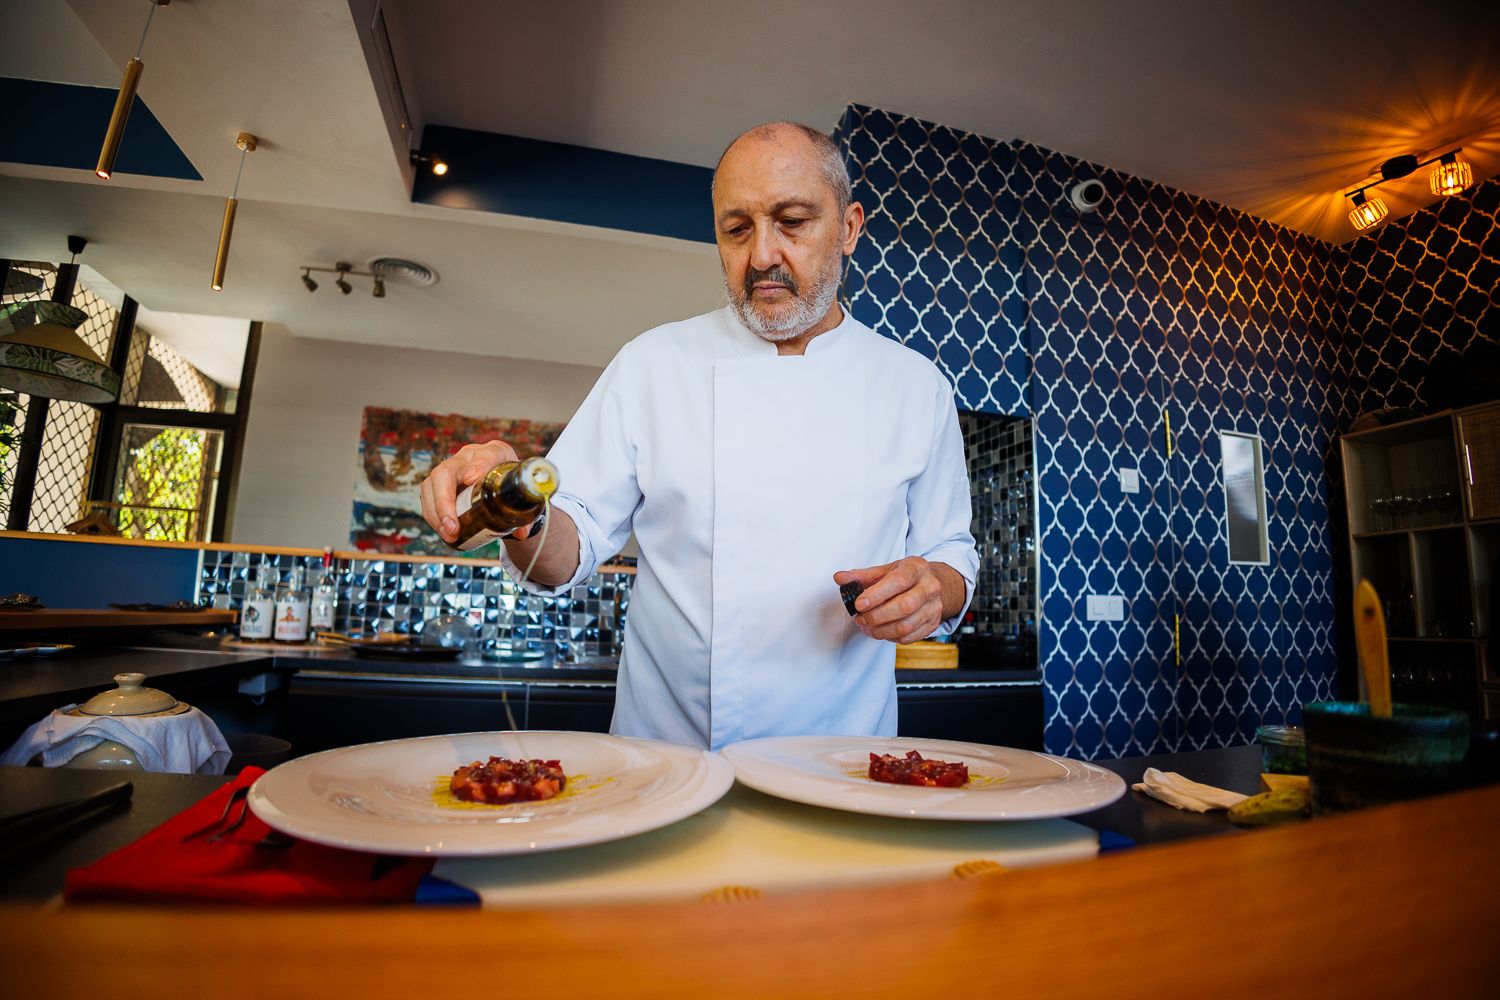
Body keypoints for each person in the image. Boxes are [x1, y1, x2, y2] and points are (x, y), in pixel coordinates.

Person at [420, 122, 977, 750]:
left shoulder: (915, 385)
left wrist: (937, 588)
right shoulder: (652, 363)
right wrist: (515, 503)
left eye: (791, 221)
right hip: (672, 761)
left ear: (848, 228)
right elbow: (563, 551)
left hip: (842, 761)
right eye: (737, 229)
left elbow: (950, 549)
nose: (761, 255)